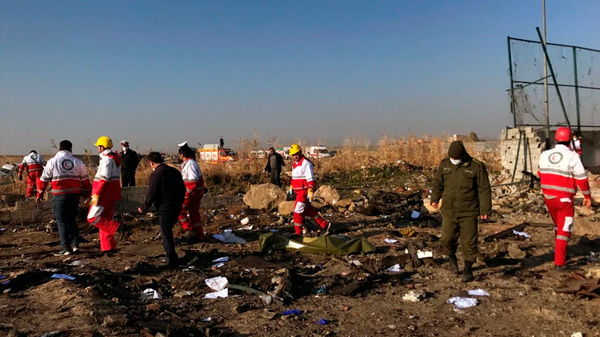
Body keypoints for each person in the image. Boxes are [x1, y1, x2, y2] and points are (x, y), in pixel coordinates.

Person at [430, 140, 491, 282]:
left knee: (469, 242)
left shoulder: (476, 167)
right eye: (452, 158)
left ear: (463, 155)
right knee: (446, 239)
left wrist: (485, 209)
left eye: (456, 158)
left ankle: (468, 268)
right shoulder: (445, 164)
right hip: (449, 211)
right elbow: (438, 183)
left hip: (468, 211)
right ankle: (451, 257)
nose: (454, 161)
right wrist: (435, 198)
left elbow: (484, 189)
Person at [538, 127, 591, 270]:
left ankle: (560, 254)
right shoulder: (573, 156)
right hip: (564, 201)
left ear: (556, 139)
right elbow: (582, 178)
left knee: (558, 226)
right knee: (564, 230)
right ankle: (560, 263)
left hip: (549, 198)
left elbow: (540, 172)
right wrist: (587, 196)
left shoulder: (545, 155)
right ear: (569, 141)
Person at [39, 140, 92, 255]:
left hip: (59, 197)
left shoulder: (52, 162)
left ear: (59, 148)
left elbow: (43, 180)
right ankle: (75, 244)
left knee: (61, 222)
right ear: (71, 149)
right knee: (72, 220)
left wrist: (40, 194)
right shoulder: (77, 162)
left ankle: (66, 248)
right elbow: (85, 181)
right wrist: (89, 194)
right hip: (74, 197)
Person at [138, 152, 186, 267]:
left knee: (166, 234)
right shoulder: (174, 171)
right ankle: (172, 257)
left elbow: (151, 193)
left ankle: (172, 260)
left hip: (165, 207)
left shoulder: (156, 175)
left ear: (152, 162)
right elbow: (182, 188)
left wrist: (143, 208)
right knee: (168, 231)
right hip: (176, 205)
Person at [87, 136, 122, 252]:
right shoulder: (114, 159)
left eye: (98, 146)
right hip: (111, 194)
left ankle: (117, 227)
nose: (97, 149)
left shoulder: (106, 160)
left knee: (92, 218)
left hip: (103, 194)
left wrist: (96, 194)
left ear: (102, 147)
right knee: (105, 220)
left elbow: (104, 179)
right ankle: (108, 248)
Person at [288, 144, 330, 235]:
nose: (294, 156)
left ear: (300, 152)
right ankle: (324, 225)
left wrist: (310, 190)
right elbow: (295, 177)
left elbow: (311, 178)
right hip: (297, 191)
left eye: (296, 154)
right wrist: (291, 187)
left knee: (297, 212)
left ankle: (298, 232)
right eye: (293, 155)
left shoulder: (306, 164)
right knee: (308, 211)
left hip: (303, 192)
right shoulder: (295, 164)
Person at [177, 143, 206, 241]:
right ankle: (199, 235)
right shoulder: (191, 163)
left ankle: (190, 230)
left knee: (178, 209)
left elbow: (192, 182)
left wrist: (185, 195)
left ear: (182, 155)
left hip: (192, 194)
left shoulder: (190, 165)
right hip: (195, 193)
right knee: (194, 214)